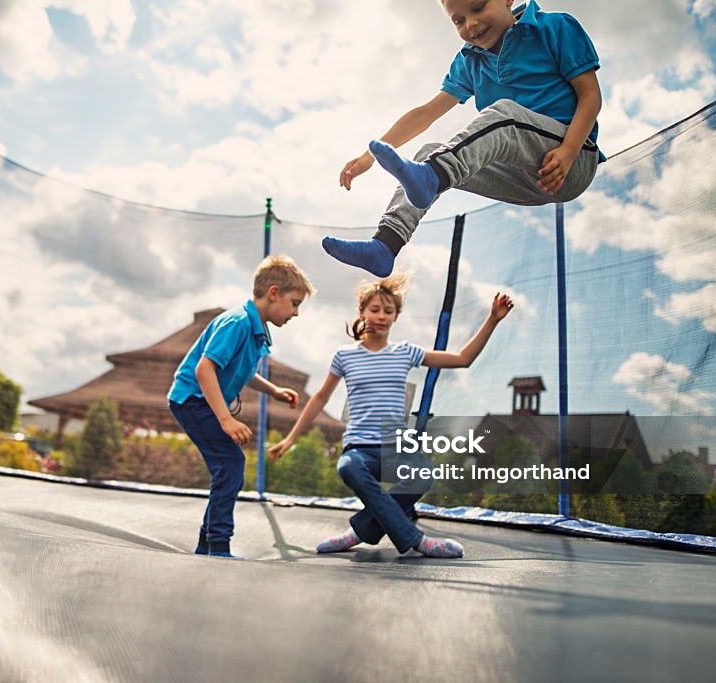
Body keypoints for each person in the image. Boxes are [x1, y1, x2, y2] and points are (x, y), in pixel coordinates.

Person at [323, 0, 604, 277]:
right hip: (523, 179)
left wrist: (569, 150)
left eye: (479, 7)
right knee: (429, 153)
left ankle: (432, 176)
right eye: (458, 20)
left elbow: (590, 95)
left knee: (503, 115)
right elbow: (426, 113)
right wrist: (367, 157)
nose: (471, 24)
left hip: (573, 160)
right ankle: (384, 246)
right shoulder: (470, 60)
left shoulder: (553, 27)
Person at [268, 275, 513, 557]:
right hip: (359, 448)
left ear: (396, 316)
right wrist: (290, 439)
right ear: (362, 312)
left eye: (388, 311)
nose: (381, 316)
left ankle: (360, 530)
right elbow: (320, 398)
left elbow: (462, 359)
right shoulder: (344, 356)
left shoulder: (404, 353)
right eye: (375, 310)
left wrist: (493, 319)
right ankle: (417, 541)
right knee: (348, 467)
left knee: (422, 473)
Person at [168, 255, 314, 558]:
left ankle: (207, 543)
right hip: (192, 400)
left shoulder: (254, 328)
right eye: (295, 303)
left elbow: (243, 370)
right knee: (231, 465)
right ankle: (217, 545)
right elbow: (204, 370)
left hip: (200, 402)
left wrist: (273, 390)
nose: (296, 313)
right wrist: (225, 420)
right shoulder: (236, 323)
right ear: (273, 293)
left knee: (228, 467)